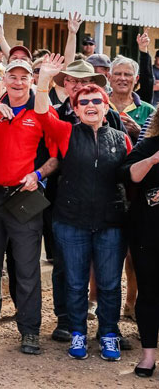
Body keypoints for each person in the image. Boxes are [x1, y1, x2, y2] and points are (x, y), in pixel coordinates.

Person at [35, 54, 130, 362]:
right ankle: (77, 332)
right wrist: (44, 80)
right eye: (84, 102)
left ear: (106, 107)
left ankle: (109, 334)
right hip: (71, 221)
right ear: (75, 109)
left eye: (96, 101)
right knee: (75, 283)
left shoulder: (121, 138)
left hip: (111, 223)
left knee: (110, 284)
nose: (91, 105)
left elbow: (131, 178)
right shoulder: (65, 132)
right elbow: (42, 114)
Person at [0, 59, 58, 355]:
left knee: (27, 265)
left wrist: (39, 174)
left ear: (31, 79)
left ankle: (29, 330)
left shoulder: (41, 110)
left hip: (25, 195)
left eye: (23, 77)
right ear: (4, 79)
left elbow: (56, 157)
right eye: (12, 76)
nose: (17, 82)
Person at [122, 116, 159, 377]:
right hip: (148, 230)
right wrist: (153, 159)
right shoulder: (149, 144)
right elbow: (129, 176)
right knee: (148, 292)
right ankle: (148, 355)